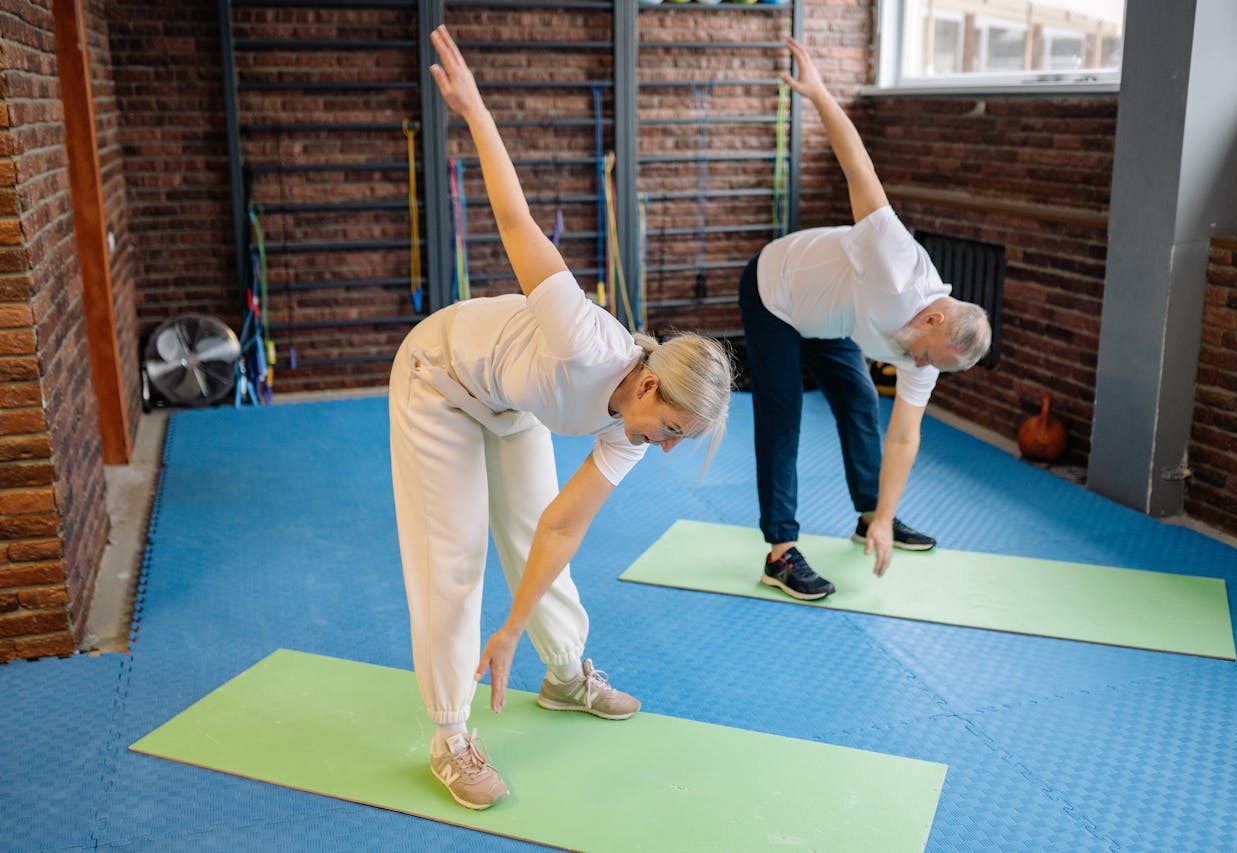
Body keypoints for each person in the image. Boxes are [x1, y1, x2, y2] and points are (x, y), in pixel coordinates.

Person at [389, 26, 732, 810]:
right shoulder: (585, 340)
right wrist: (474, 112)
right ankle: (449, 734)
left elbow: (561, 526)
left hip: (512, 399)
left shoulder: (632, 427)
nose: (669, 447)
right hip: (437, 377)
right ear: (648, 388)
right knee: (455, 553)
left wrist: (511, 629)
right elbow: (515, 223)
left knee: (530, 536)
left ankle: (564, 672)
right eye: (674, 429)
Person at [740, 36, 991, 599]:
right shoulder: (895, 259)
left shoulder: (935, 350)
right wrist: (820, 93)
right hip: (776, 292)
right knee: (782, 416)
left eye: (931, 366)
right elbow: (857, 163)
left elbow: (904, 437)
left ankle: (867, 516)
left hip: (833, 320)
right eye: (925, 356)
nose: (918, 366)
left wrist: (886, 515)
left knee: (857, 400)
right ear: (931, 321)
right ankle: (779, 552)